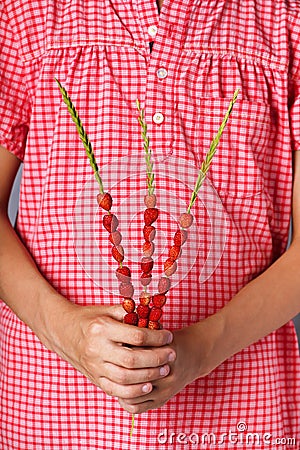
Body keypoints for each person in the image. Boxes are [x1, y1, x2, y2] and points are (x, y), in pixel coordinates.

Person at [0, 1, 299, 449]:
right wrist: (65, 331)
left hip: (237, 411)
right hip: (54, 410)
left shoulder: (285, 18)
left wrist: (203, 348)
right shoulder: (27, 12)